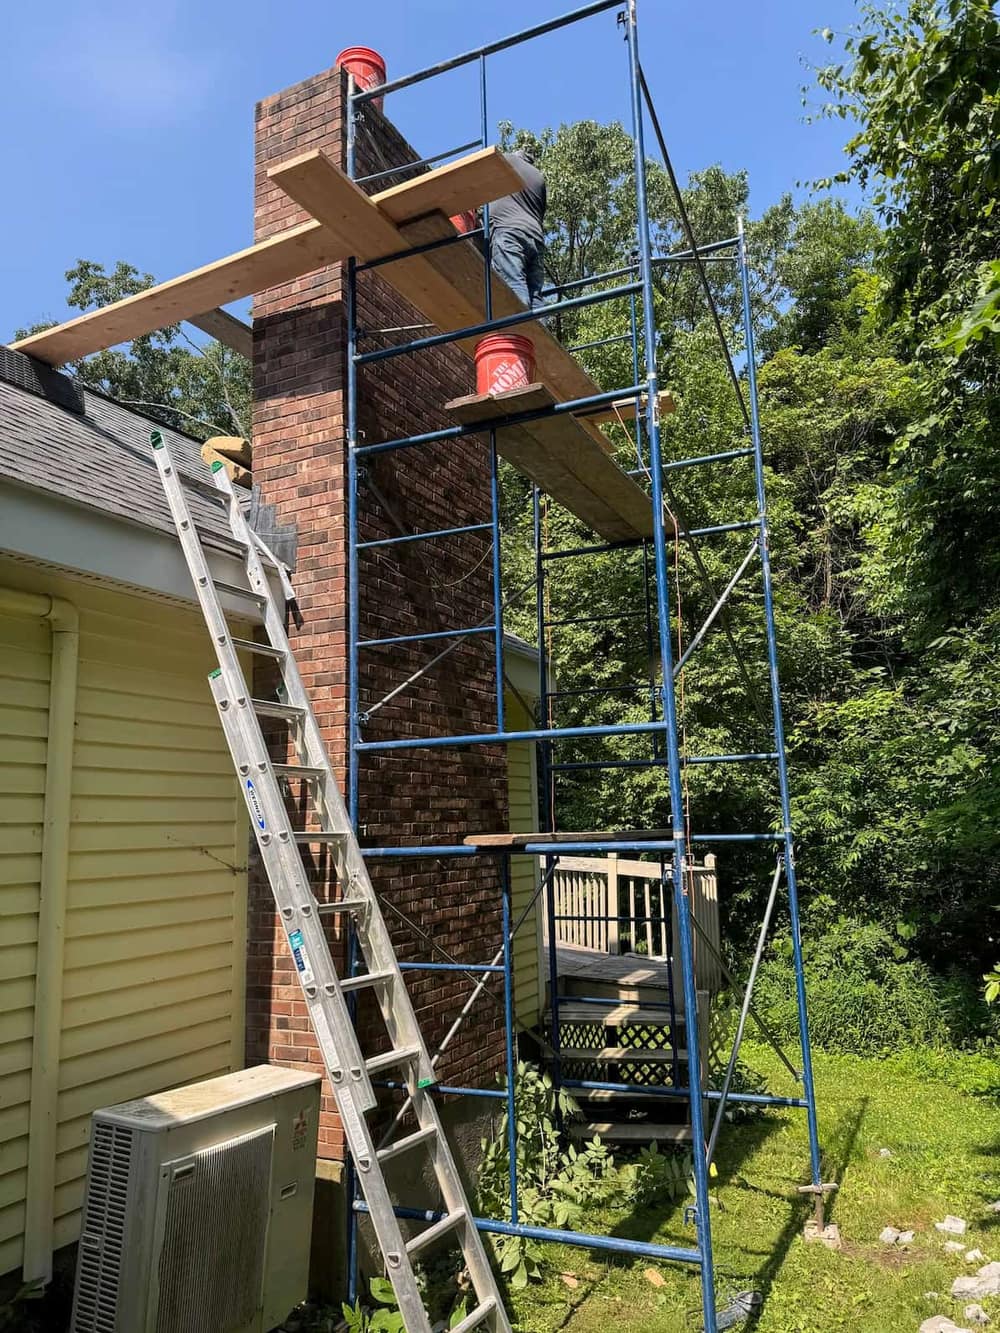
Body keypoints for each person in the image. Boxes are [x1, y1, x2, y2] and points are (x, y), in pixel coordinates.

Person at [489, 146, 548, 310]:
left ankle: (520, 327)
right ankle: (537, 333)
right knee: (535, 294)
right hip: (535, 237)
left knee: (514, 284)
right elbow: (541, 212)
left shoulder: (506, 160)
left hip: (508, 231)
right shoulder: (539, 177)